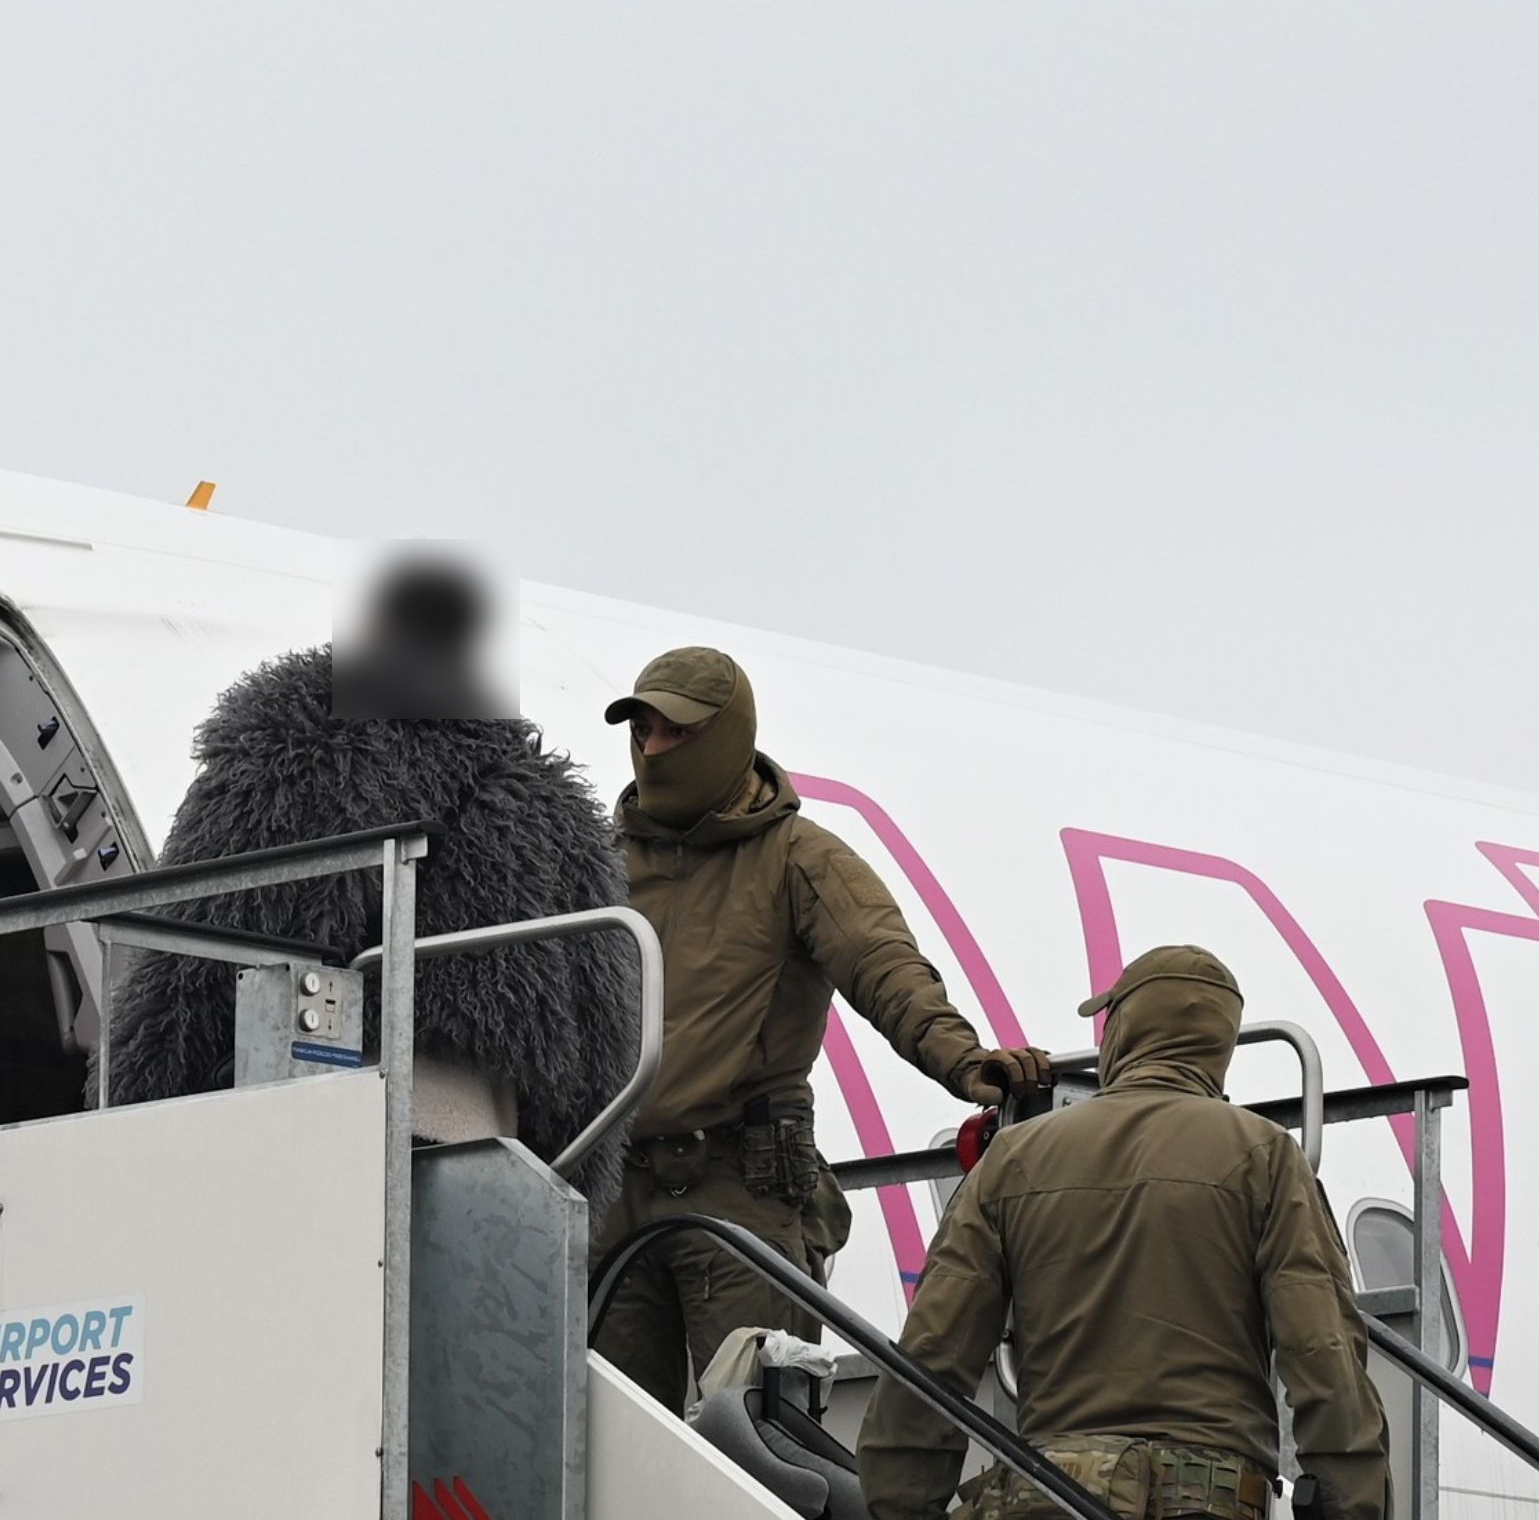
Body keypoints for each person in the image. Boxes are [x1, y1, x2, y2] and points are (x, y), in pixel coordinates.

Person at [856, 944, 1388, 1520]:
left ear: (1123, 1032)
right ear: (1219, 1046)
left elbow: (930, 1366)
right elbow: (1327, 1372)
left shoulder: (1015, 1160)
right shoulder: (1264, 1159)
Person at [588, 647, 1047, 1405]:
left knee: (757, 1440)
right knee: (608, 1443)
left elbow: (884, 967)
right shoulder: (595, 863)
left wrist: (966, 1061)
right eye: (642, 730)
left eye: (678, 731)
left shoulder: (800, 858)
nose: (654, 748)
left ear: (728, 735)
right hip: (612, 1193)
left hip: (741, 1190)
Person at [100, 558, 639, 1193]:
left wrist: (128, 1116)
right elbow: (602, 1027)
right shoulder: (553, 802)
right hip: (494, 1156)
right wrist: (571, 1184)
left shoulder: (301, 736)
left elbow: (195, 954)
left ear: (372, 628)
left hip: (319, 1134)